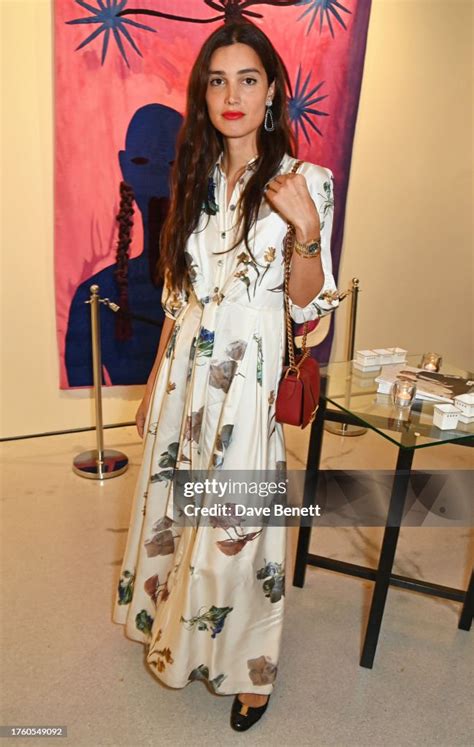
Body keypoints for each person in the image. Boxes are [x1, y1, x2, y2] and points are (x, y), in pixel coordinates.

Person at [113, 20, 340, 732]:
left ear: (271, 92)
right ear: (204, 94)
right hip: (186, 371)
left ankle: (249, 668)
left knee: (237, 525)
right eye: (218, 81)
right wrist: (155, 383)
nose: (232, 95)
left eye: (248, 79)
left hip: (248, 377)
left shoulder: (307, 181)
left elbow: (306, 303)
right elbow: (178, 295)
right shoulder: (196, 175)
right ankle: (174, 625)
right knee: (178, 504)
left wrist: (306, 231)